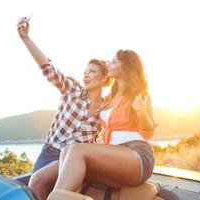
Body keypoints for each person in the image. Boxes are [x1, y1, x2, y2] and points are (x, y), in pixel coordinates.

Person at [30, 49, 156, 200]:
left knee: (76, 149)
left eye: (114, 62)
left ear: (125, 67)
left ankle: (56, 198)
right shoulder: (110, 97)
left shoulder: (138, 94)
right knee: (67, 152)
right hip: (114, 159)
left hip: (137, 156)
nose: (110, 64)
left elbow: (148, 132)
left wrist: (141, 112)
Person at [17, 18, 111, 173]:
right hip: (51, 154)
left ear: (104, 77)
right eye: (85, 73)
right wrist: (26, 38)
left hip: (78, 160)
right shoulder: (72, 89)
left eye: (92, 71)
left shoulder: (106, 107)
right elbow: (47, 67)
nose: (86, 76)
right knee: (36, 188)